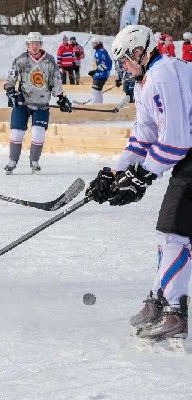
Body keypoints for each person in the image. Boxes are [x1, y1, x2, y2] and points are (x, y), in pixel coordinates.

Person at [87, 24, 192, 343]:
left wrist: (142, 176)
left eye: (124, 61)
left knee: (173, 230)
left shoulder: (164, 73)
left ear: (140, 52)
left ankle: (175, 313)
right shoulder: (145, 81)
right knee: (170, 232)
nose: (122, 67)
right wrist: (117, 173)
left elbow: (175, 141)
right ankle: (163, 300)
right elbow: (144, 137)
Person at [3, 32, 72, 175]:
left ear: (41, 45)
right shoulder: (20, 60)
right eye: (31, 44)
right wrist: (10, 90)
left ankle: (34, 161)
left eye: (37, 43)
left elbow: (56, 81)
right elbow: (10, 79)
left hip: (41, 103)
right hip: (23, 102)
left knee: (38, 133)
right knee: (16, 133)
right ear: (27, 45)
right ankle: (12, 161)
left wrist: (61, 97)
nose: (34, 46)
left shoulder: (50, 61)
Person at [87, 38, 112, 104]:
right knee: (98, 90)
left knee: (95, 90)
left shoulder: (100, 52)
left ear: (98, 43)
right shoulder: (100, 51)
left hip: (101, 75)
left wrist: (95, 71)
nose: (93, 45)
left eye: (94, 43)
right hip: (101, 74)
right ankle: (99, 104)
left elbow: (104, 65)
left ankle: (95, 105)